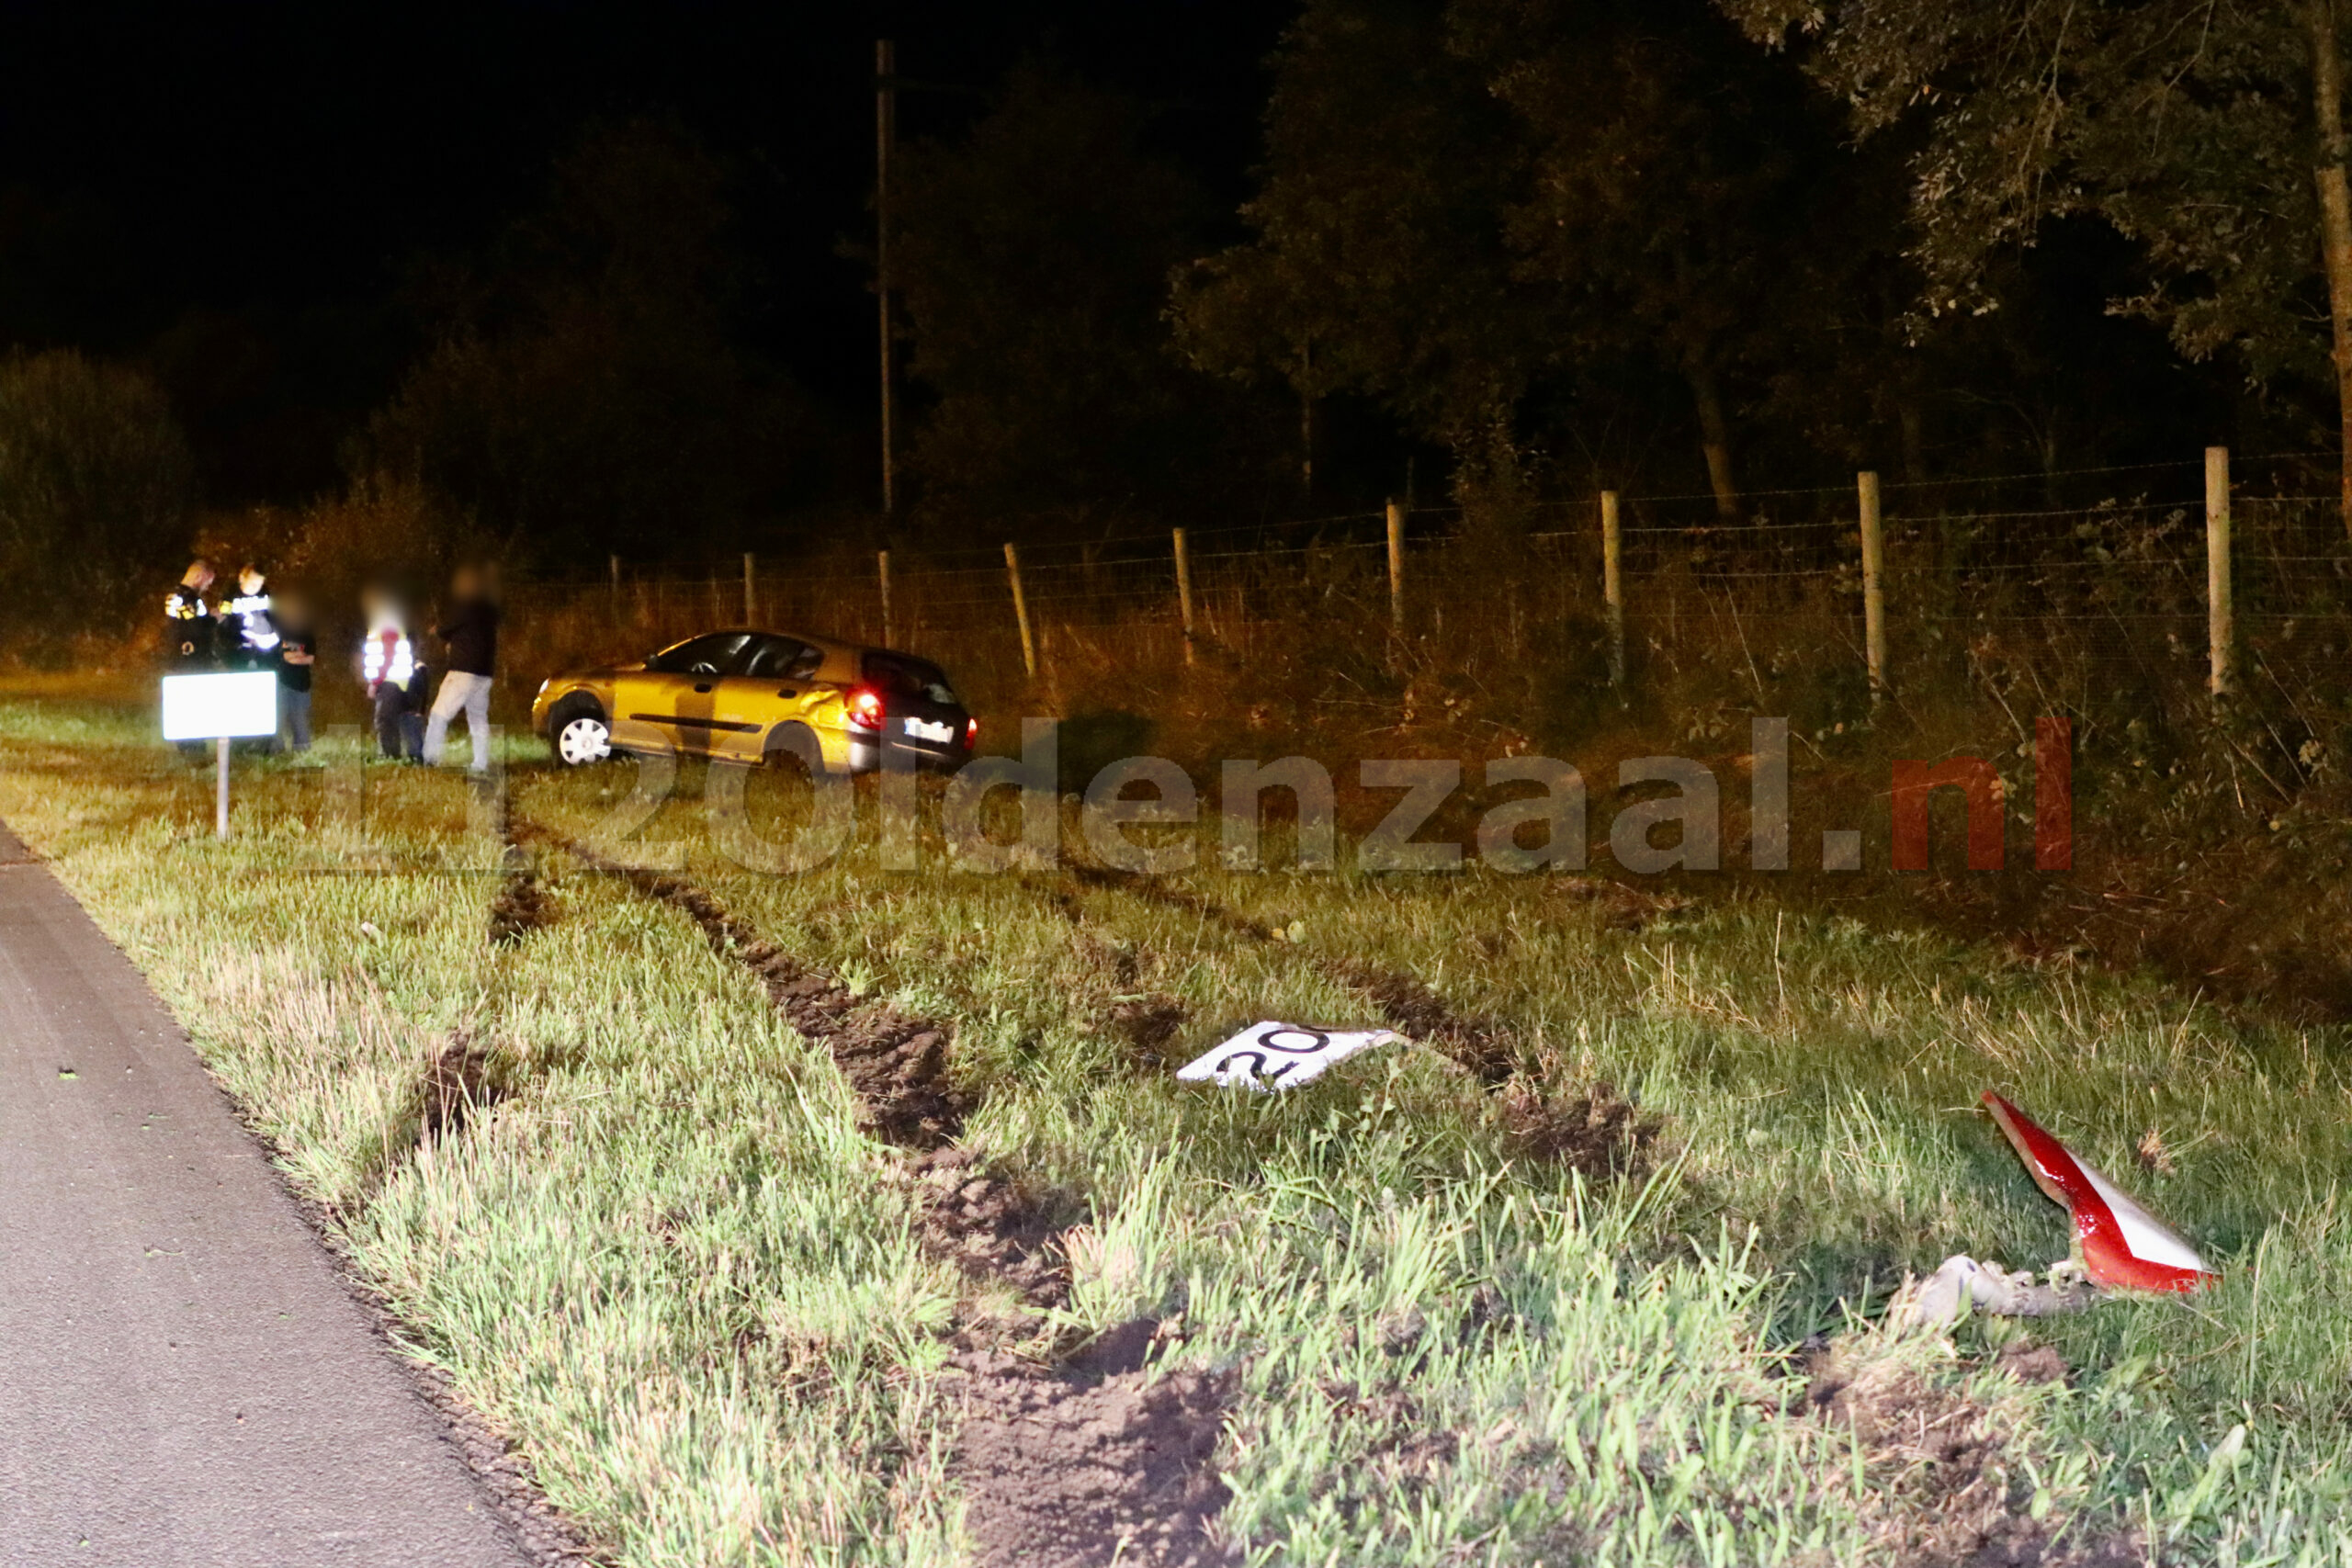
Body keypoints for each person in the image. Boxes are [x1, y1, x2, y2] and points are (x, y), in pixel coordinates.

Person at [423, 562, 501, 773]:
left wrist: (436, 629)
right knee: (478, 720)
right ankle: (480, 763)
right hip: (484, 675)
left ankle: (429, 759)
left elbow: (445, 628)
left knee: (439, 714)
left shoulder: (466, 606)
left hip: (462, 672)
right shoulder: (489, 612)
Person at [360, 587, 425, 761]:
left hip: (389, 680)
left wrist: (375, 682)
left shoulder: (384, 625)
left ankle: (389, 755)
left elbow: (387, 655)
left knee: (385, 720)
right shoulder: (389, 623)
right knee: (398, 719)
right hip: (396, 679)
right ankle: (406, 754)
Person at [271, 588, 317, 755]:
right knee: (278, 719)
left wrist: (294, 657)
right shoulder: (279, 633)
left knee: (300, 719)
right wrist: (297, 656)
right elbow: (282, 657)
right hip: (282, 683)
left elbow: (310, 658)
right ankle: (277, 752)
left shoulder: (306, 633)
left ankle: (302, 751)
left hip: (302, 685)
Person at [220, 563, 280, 670]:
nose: (256, 588)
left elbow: (272, 615)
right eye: (253, 584)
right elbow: (226, 619)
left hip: (266, 645)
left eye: (259, 584)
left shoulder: (264, 593)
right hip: (241, 646)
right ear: (242, 578)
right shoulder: (231, 594)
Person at [164, 559, 218, 671]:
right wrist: (214, 618)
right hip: (193, 661)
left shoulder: (170, 595)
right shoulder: (192, 600)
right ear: (198, 577)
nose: (207, 587)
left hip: (173, 659)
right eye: (207, 583)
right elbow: (198, 628)